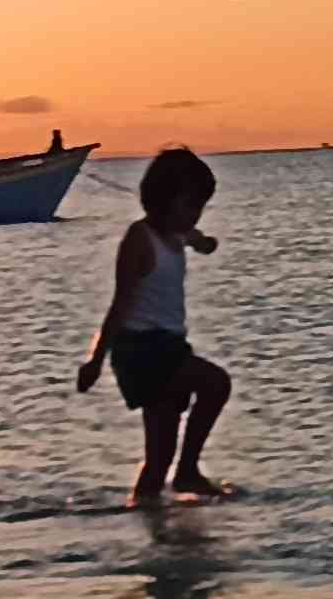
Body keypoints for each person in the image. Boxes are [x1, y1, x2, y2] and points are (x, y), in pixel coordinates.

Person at [77, 147, 233, 501]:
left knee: (158, 458)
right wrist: (95, 362)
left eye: (200, 207)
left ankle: (150, 525)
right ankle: (189, 472)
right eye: (190, 206)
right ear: (163, 201)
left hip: (170, 347)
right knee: (215, 383)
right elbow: (119, 305)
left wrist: (206, 243)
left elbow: (199, 241)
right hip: (142, 351)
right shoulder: (140, 240)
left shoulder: (179, 234)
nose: (196, 215)